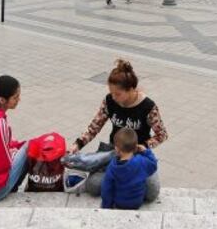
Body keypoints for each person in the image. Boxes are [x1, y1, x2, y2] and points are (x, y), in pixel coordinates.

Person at [71, 59, 167, 201]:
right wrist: (78, 144)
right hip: (115, 152)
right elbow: (95, 126)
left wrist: (145, 146)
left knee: (152, 192)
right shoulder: (109, 101)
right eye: (111, 93)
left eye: (118, 94)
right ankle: (124, 182)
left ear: (131, 89)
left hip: (138, 155)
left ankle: (122, 182)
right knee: (93, 185)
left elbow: (162, 134)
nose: (113, 97)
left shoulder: (148, 107)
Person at [101, 127, 159, 211]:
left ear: (117, 149)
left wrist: (106, 207)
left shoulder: (112, 167)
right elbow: (153, 164)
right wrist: (146, 151)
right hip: (137, 202)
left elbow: (106, 189)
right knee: (146, 174)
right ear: (136, 146)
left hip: (119, 203)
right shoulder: (140, 161)